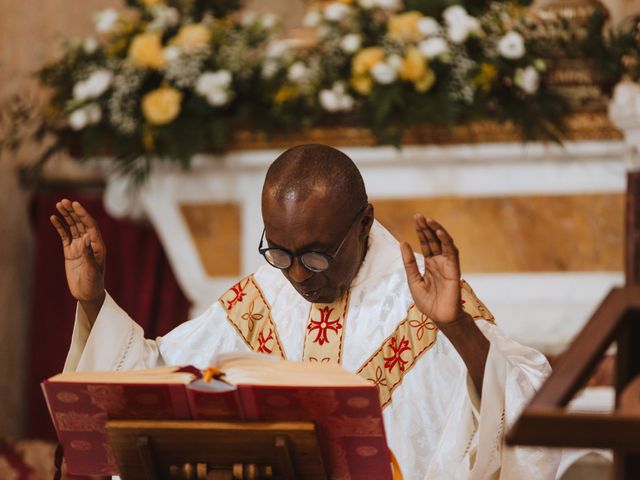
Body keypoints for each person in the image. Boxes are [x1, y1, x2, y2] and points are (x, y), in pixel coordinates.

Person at [52, 144, 560, 479]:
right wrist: (94, 298)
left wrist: (457, 329)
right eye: (279, 251)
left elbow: (528, 417)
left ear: (364, 223)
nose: (296, 274)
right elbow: (156, 382)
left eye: (317, 254)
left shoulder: (429, 297)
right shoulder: (262, 296)